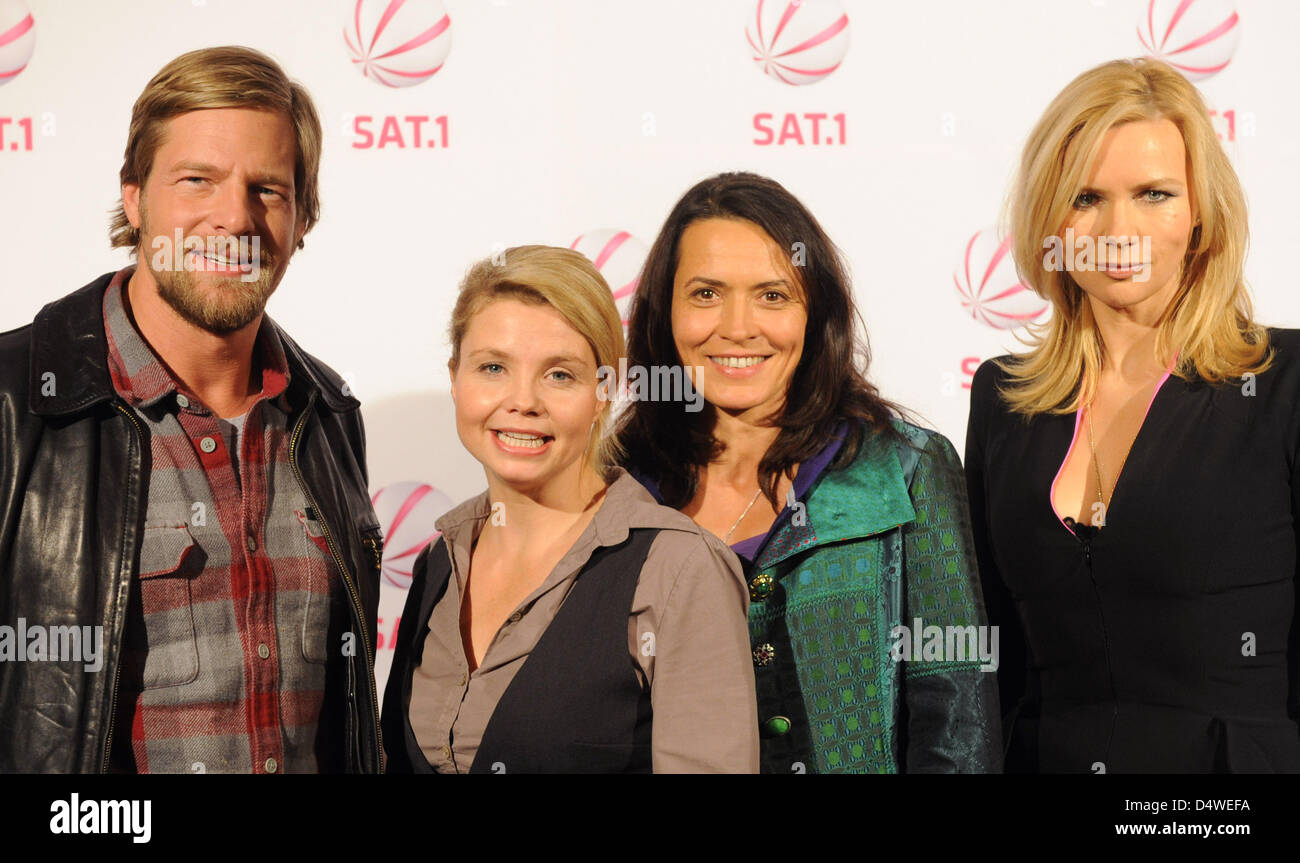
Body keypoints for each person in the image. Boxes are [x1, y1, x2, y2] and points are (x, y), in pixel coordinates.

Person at [0, 47, 383, 773]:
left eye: (267, 189)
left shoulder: (328, 414)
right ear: (137, 198)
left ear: (304, 218)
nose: (234, 216)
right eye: (197, 180)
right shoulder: (13, 404)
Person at [965, 57, 1300, 773]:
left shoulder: (1282, 385)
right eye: (1087, 197)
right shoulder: (1002, 399)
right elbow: (993, 654)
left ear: (1200, 212)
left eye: (1154, 194)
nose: (1119, 228)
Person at [617, 172, 1002, 773]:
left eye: (772, 295)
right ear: (664, 311)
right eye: (706, 294)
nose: (738, 326)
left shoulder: (904, 469)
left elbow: (957, 722)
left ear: (815, 311)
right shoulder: (620, 491)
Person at [381, 245, 758, 773]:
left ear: (603, 392)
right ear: (455, 377)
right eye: (493, 367)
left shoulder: (678, 568)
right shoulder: (441, 559)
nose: (523, 401)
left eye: (560, 375)